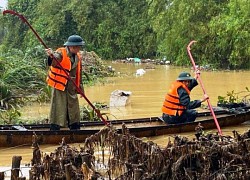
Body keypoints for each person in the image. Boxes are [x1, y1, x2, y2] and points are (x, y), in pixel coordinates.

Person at [45, 35, 85, 130]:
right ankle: (55, 129)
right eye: (78, 47)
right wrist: (51, 55)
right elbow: (55, 58)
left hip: (71, 87)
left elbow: (79, 74)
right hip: (60, 86)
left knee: (73, 108)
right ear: (72, 47)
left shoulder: (78, 57)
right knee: (58, 108)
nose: (79, 49)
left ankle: (74, 127)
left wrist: (81, 89)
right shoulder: (61, 52)